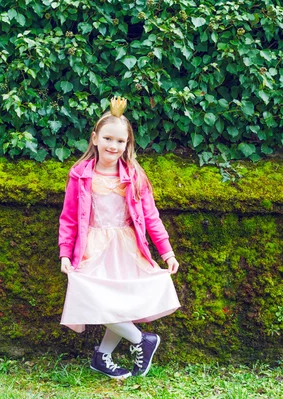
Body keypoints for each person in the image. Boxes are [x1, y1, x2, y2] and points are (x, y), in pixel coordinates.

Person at [58, 96, 181, 379]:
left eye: (120, 141)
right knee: (100, 301)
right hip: (92, 248)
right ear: (95, 138)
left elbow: (151, 217)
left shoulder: (135, 176)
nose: (113, 146)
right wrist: (65, 252)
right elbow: (68, 217)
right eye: (108, 138)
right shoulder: (79, 175)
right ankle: (141, 340)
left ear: (128, 144)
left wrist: (167, 252)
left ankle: (102, 356)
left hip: (127, 247)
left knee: (119, 302)